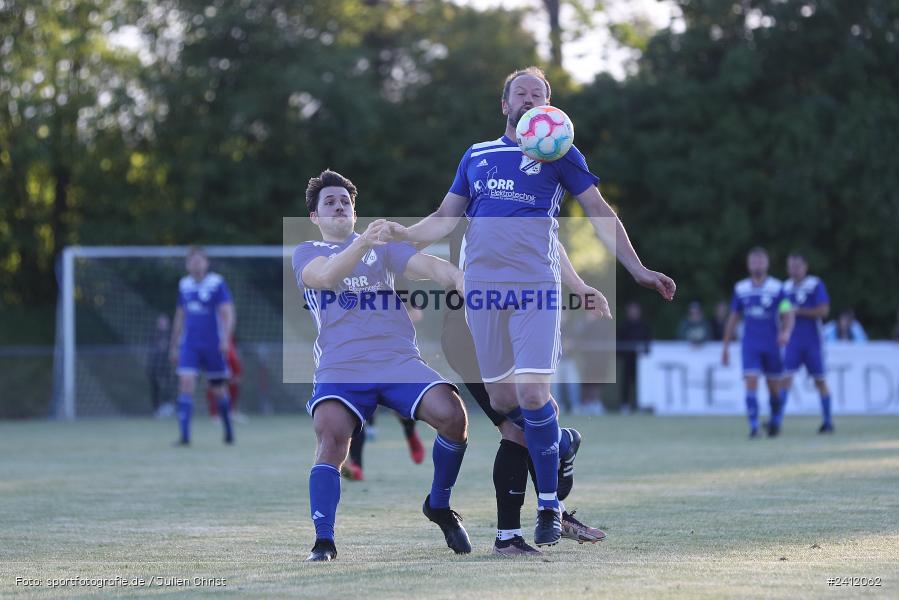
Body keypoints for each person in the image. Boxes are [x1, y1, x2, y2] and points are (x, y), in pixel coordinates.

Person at [388, 66, 675, 546]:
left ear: (549, 107)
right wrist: (404, 233)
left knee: (534, 396)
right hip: (482, 293)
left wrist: (638, 270)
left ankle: (548, 509)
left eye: (537, 94)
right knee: (504, 401)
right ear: (505, 105)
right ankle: (560, 447)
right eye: (520, 93)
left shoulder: (561, 153)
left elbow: (600, 212)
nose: (528, 99)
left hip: (535, 290)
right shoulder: (477, 155)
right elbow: (442, 218)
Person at [294, 169, 470, 562]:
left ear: (354, 211)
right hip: (341, 366)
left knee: (453, 415)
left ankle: (439, 505)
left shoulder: (383, 248)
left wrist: (458, 278)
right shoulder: (308, 252)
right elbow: (325, 278)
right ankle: (324, 541)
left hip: (397, 360)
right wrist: (363, 244)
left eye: (346, 201)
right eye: (330, 202)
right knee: (330, 436)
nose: (339, 206)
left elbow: (430, 266)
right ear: (315, 217)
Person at [440, 220, 606, 556]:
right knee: (519, 429)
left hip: (504, 323)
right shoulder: (480, 196)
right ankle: (510, 536)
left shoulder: (520, 196)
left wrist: (577, 286)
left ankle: (553, 512)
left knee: (540, 414)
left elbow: (548, 243)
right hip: (471, 332)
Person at [721, 247, 794, 438]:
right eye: (753, 261)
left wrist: (786, 332)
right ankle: (754, 426)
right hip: (750, 345)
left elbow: (788, 313)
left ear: (767, 264)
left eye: (760, 261)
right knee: (751, 382)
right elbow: (733, 318)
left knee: (774, 389)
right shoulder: (741, 289)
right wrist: (726, 346)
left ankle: (775, 421)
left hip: (772, 344)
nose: (757, 264)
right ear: (748, 265)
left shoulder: (778, 288)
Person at [169, 247, 236, 445]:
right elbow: (180, 316)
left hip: (213, 345)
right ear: (187, 265)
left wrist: (226, 339)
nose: (196, 264)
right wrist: (174, 344)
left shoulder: (217, 283)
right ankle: (184, 437)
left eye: (199, 260)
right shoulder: (184, 285)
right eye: (192, 261)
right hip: (190, 345)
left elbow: (228, 312)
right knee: (186, 384)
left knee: (218, 390)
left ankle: (228, 431)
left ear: (206, 263)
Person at [781, 253, 834, 434]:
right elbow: (781, 312)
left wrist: (799, 311)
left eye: (797, 266)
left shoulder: (815, 284)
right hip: (792, 341)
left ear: (805, 267)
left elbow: (824, 310)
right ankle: (776, 422)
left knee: (820, 381)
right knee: (785, 379)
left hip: (813, 341)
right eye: (791, 266)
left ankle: (827, 422)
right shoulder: (784, 287)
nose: (794, 270)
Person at [617, 302, 651, 413]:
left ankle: (640, 404)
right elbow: (620, 342)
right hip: (628, 359)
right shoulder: (624, 326)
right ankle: (625, 404)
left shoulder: (644, 326)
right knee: (626, 382)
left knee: (641, 383)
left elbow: (648, 342)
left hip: (641, 362)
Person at [206, 335, 241, 417]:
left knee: (224, 387)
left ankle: (231, 411)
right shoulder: (212, 354)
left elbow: (238, 378)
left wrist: (226, 383)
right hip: (216, 358)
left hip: (227, 375)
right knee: (213, 386)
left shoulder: (233, 358)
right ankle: (214, 413)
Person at [147, 314, 174, 417]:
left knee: (167, 386)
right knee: (155, 388)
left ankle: (169, 406)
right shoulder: (154, 334)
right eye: (160, 322)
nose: (162, 324)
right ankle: (157, 409)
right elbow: (153, 349)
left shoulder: (171, 335)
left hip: (166, 366)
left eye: (164, 321)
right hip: (153, 366)